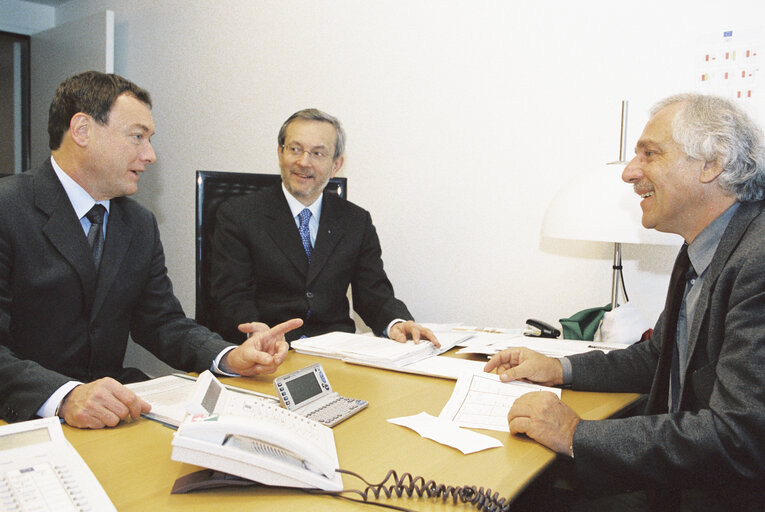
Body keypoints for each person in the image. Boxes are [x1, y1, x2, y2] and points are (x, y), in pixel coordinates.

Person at [485, 94, 765, 510]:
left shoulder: (757, 260)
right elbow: (658, 358)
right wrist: (558, 367)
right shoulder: (703, 248)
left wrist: (576, 434)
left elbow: (740, 437)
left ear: (712, 164)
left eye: (649, 154)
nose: (630, 173)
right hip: (678, 480)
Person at [0, 71, 301, 429]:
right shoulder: (8, 208)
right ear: (81, 130)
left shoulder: (138, 223)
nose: (150, 155)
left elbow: (161, 321)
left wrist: (229, 356)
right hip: (26, 416)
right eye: (137, 136)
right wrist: (63, 395)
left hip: (116, 410)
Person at [210, 108, 438, 346]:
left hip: (336, 352)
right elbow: (231, 298)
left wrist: (396, 322)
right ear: (280, 152)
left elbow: (374, 294)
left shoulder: (355, 221)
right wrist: (256, 334)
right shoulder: (239, 215)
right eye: (295, 149)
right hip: (268, 351)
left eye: (318, 153)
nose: (303, 162)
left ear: (336, 164)